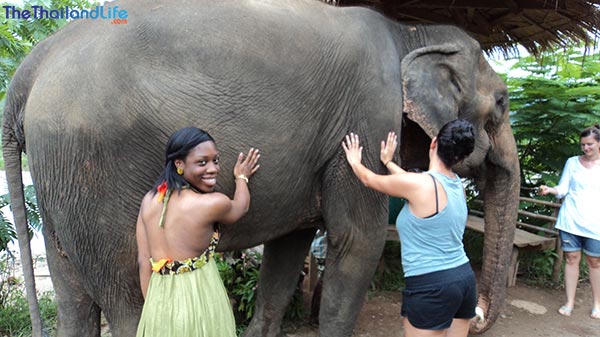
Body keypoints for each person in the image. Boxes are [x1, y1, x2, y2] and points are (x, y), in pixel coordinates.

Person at [342, 119, 477, 337]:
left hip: (432, 285)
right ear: (461, 156)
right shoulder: (458, 185)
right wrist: (388, 162)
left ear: (433, 143)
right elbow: (410, 182)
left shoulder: (421, 184)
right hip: (464, 280)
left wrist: (355, 162)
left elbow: (369, 180)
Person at [135, 127, 260, 336]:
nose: (213, 169)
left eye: (216, 161)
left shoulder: (148, 201)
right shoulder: (211, 204)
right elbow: (241, 207)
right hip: (201, 300)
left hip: (159, 303)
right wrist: (241, 178)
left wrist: (154, 310)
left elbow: (143, 259)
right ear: (179, 164)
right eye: (202, 162)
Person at [539, 125, 600, 319]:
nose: (585, 148)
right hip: (571, 220)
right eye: (583, 145)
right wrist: (550, 190)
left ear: (599, 143)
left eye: (589, 144)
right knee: (571, 259)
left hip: (595, 223)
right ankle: (570, 301)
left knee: (595, 262)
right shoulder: (572, 162)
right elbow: (563, 188)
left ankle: (597, 303)